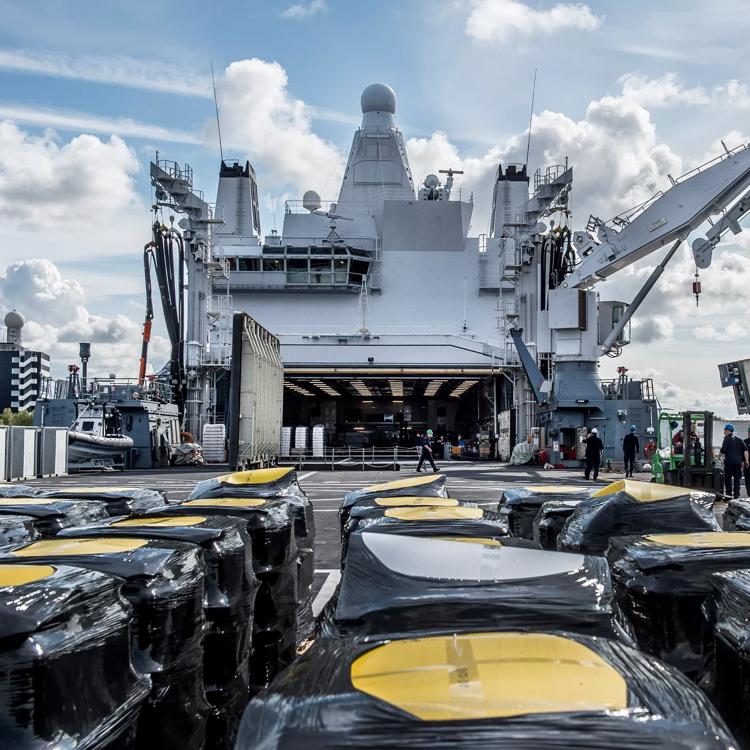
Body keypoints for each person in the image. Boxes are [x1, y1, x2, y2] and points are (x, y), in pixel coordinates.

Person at [720, 423, 749, 500]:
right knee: (737, 480)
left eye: (725, 430)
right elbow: (745, 450)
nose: (724, 432)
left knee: (728, 479)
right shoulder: (739, 440)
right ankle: (736, 495)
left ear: (728, 430)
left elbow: (723, 450)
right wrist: (746, 461)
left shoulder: (726, 439)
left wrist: (721, 451)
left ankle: (728, 495)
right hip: (738, 463)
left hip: (729, 463)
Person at [745, 426, 750, 497]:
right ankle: (749, 494)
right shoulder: (745, 442)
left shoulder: (745, 442)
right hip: (747, 464)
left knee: (748, 479)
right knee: (747, 479)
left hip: (747, 463)